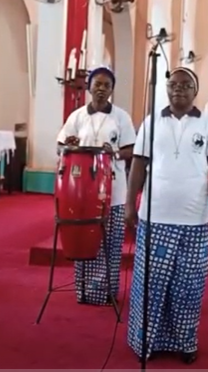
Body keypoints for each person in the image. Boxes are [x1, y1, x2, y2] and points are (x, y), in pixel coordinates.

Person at [124, 67, 208, 364]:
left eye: (185, 85)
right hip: (155, 217)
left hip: (195, 220)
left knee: (188, 286)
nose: (178, 90)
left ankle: (186, 342)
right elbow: (139, 165)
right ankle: (146, 341)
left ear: (195, 92)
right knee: (151, 285)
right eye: (172, 85)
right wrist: (131, 204)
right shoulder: (151, 123)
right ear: (165, 89)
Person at [56, 66, 136, 305]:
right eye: (97, 84)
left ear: (112, 90)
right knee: (86, 237)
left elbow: (132, 149)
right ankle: (84, 291)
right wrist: (68, 144)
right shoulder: (77, 116)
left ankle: (106, 291)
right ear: (90, 86)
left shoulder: (121, 117)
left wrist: (116, 154)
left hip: (114, 185)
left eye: (107, 85)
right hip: (83, 189)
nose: (101, 89)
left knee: (110, 240)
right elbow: (61, 145)